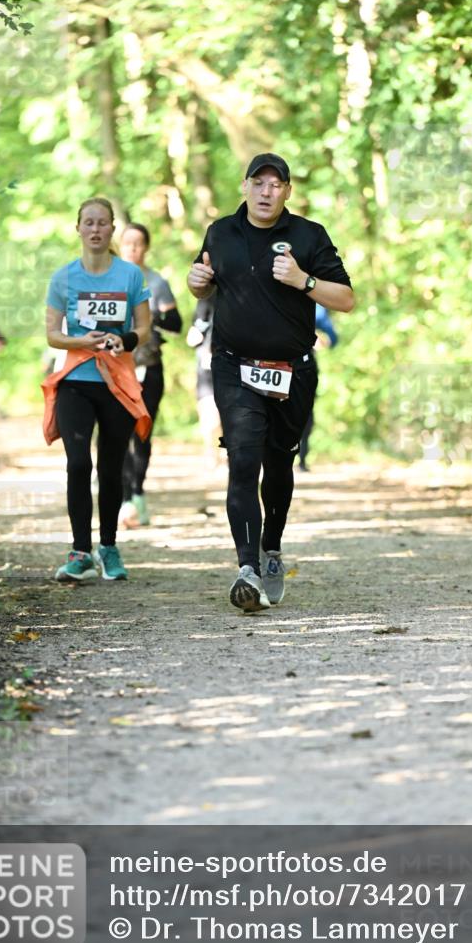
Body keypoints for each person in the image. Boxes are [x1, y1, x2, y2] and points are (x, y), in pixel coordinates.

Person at [187, 152, 354, 612]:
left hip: (292, 370)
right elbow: (202, 282)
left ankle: (271, 548)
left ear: (287, 191)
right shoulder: (220, 232)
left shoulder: (309, 235)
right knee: (243, 460)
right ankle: (247, 569)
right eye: (258, 183)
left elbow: (346, 299)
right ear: (244, 187)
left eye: (275, 184)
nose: (266, 192)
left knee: (279, 465)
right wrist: (196, 281)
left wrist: (303, 281)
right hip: (233, 366)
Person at [43, 197, 152, 583]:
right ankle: (79, 552)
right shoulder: (63, 278)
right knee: (78, 464)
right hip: (76, 380)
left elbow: (144, 328)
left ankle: (108, 547)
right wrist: (80, 341)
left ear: (111, 230)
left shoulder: (130, 276)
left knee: (111, 466)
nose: (95, 229)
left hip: (117, 382)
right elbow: (52, 335)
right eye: (88, 222)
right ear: (78, 228)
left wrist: (125, 339)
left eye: (102, 223)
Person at [118, 223, 182, 528]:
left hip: (149, 365)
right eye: (127, 242)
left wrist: (152, 316)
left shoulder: (156, 282)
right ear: (119, 245)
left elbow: (176, 323)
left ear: (146, 247)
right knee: (116, 433)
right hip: (115, 368)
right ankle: (124, 498)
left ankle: (138, 493)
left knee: (142, 431)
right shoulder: (107, 280)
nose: (132, 248)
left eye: (138, 243)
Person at [298, 302, 339, 472]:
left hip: (276, 362)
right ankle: (301, 460)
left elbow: (332, 338)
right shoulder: (314, 304)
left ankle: (298, 458)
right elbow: (332, 337)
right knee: (305, 411)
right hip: (303, 365)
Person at [186, 293, 223, 469]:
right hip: (206, 368)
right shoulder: (206, 299)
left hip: (231, 365)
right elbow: (193, 336)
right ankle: (211, 453)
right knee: (210, 415)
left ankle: (226, 453)